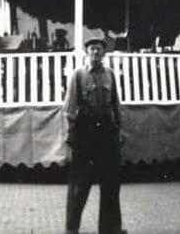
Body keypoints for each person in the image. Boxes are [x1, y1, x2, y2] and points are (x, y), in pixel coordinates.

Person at [64, 36, 127, 234]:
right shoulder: (78, 75)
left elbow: (116, 104)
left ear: (104, 53)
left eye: (99, 49)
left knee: (111, 184)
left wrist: (119, 129)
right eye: (92, 49)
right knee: (80, 185)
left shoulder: (110, 74)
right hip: (85, 134)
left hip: (107, 133)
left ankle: (110, 229)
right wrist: (72, 135)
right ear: (86, 52)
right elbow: (69, 108)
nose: (95, 53)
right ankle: (72, 228)